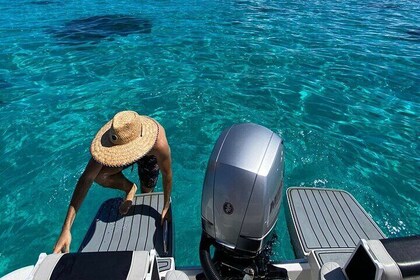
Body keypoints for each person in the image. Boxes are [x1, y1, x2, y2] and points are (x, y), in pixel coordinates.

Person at [53, 110, 172, 253]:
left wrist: (165, 206)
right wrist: (66, 229)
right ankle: (129, 188)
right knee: (99, 175)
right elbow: (86, 179)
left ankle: (139, 191)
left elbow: (167, 173)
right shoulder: (112, 141)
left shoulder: (158, 143)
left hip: (149, 153)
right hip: (122, 146)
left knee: (146, 194)